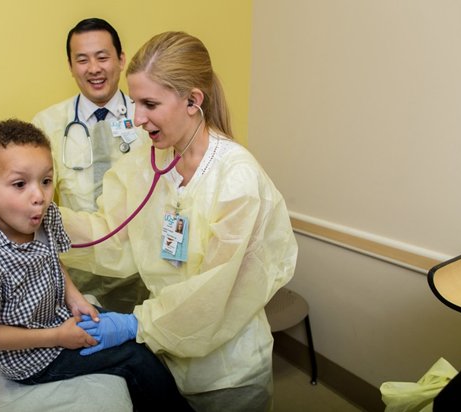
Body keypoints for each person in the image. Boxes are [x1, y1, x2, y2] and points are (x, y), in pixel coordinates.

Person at [59, 32, 298, 412]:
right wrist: (46, 220)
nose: (137, 118)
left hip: (226, 374)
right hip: (166, 357)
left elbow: (216, 291)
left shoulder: (235, 178)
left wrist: (137, 324)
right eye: (135, 102)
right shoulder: (146, 164)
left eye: (149, 103)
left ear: (193, 100)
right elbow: (113, 236)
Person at [0, 119, 191, 411]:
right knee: (136, 359)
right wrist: (58, 336)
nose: (39, 196)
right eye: (19, 184)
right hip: (31, 356)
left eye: (46, 181)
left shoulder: (43, 215)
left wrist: (75, 299)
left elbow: (52, 260)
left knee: (140, 339)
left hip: (57, 317)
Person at [32, 18, 150, 314]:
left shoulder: (149, 119)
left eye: (102, 57)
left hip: (142, 268)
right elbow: (36, 201)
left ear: (121, 60)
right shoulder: (47, 124)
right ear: (71, 67)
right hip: (79, 271)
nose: (93, 68)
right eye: (82, 60)